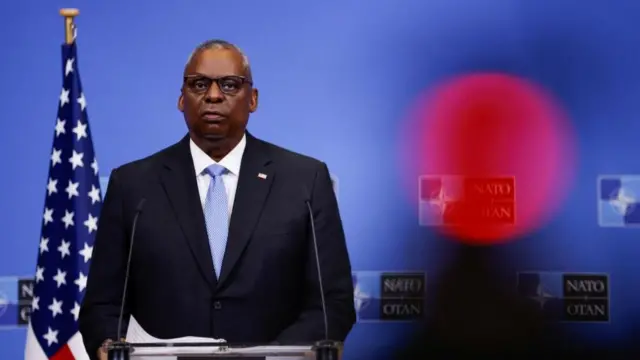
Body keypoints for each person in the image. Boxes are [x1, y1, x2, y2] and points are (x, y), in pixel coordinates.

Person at [79, 39, 356, 360]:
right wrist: (106, 345)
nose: (213, 95)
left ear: (252, 99)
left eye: (229, 84)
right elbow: (102, 306)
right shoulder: (132, 185)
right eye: (199, 84)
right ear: (182, 99)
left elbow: (331, 303)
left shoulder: (305, 180)